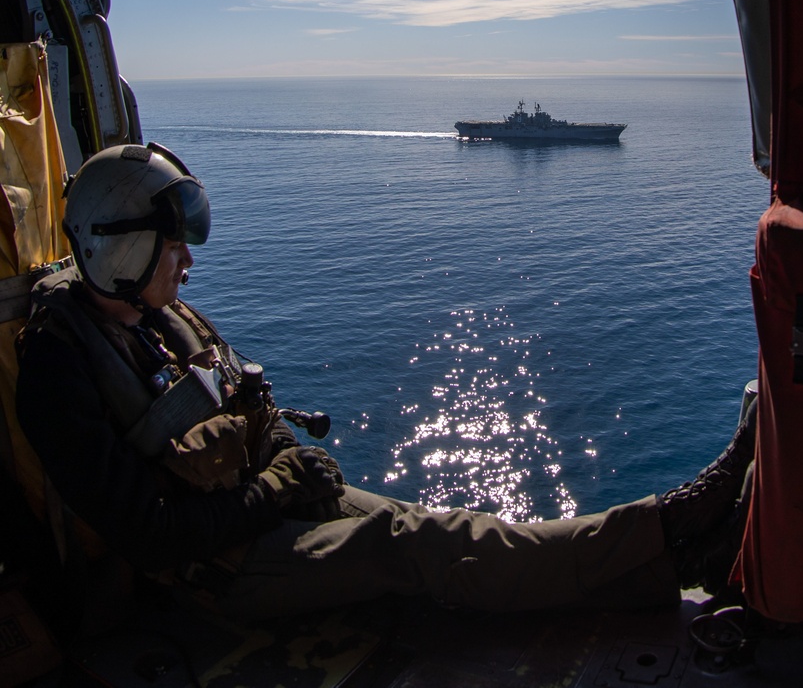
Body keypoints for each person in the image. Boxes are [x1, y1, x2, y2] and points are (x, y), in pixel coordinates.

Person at [15, 142, 757, 621]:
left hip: (258, 513)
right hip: (209, 575)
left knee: (446, 528)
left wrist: (287, 461)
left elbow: (250, 404)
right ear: (120, 246)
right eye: (171, 245)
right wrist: (279, 485)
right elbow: (150, 537)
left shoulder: (164, 316)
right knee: (421, 543)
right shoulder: (58, 368)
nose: (188, 263)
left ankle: (675, 552)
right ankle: (673, 526)